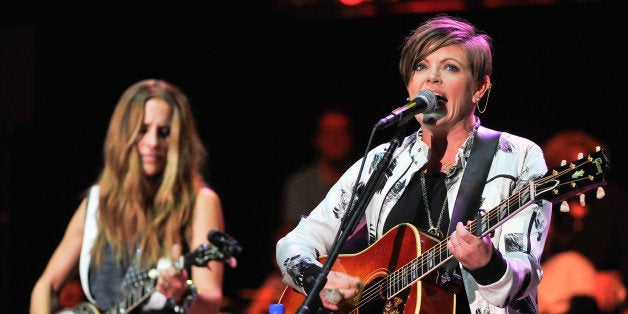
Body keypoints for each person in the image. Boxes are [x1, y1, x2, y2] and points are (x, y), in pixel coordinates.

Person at [276, 14, 554, 313]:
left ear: (479, 88)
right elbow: (296, 242)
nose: (431, 77)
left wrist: (487, 263)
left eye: (450, 67)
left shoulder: (516, 156)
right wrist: (319, 280)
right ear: (410, 85)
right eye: (421, 66)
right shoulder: (384, 161)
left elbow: (524, 272)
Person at [30, 79, 227, 314]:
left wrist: (183, 294)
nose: (152, 142)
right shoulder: (98, 203)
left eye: (164, 133)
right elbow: (46, 286)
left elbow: (211, 302)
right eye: (142, 130)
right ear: (123, 135)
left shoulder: (200, 202)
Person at [538, 130, 628, 314]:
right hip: (558, 298)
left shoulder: (611, 202)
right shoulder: (549, 211)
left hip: (603, 293)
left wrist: (616, 276)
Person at [280, 108, 355, 226]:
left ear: (351, 138)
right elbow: (293, 230)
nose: (335, 139)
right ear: (317, 139)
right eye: (328, 133)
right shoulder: (300, 184)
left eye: (341, 132)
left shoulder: (365, 178)